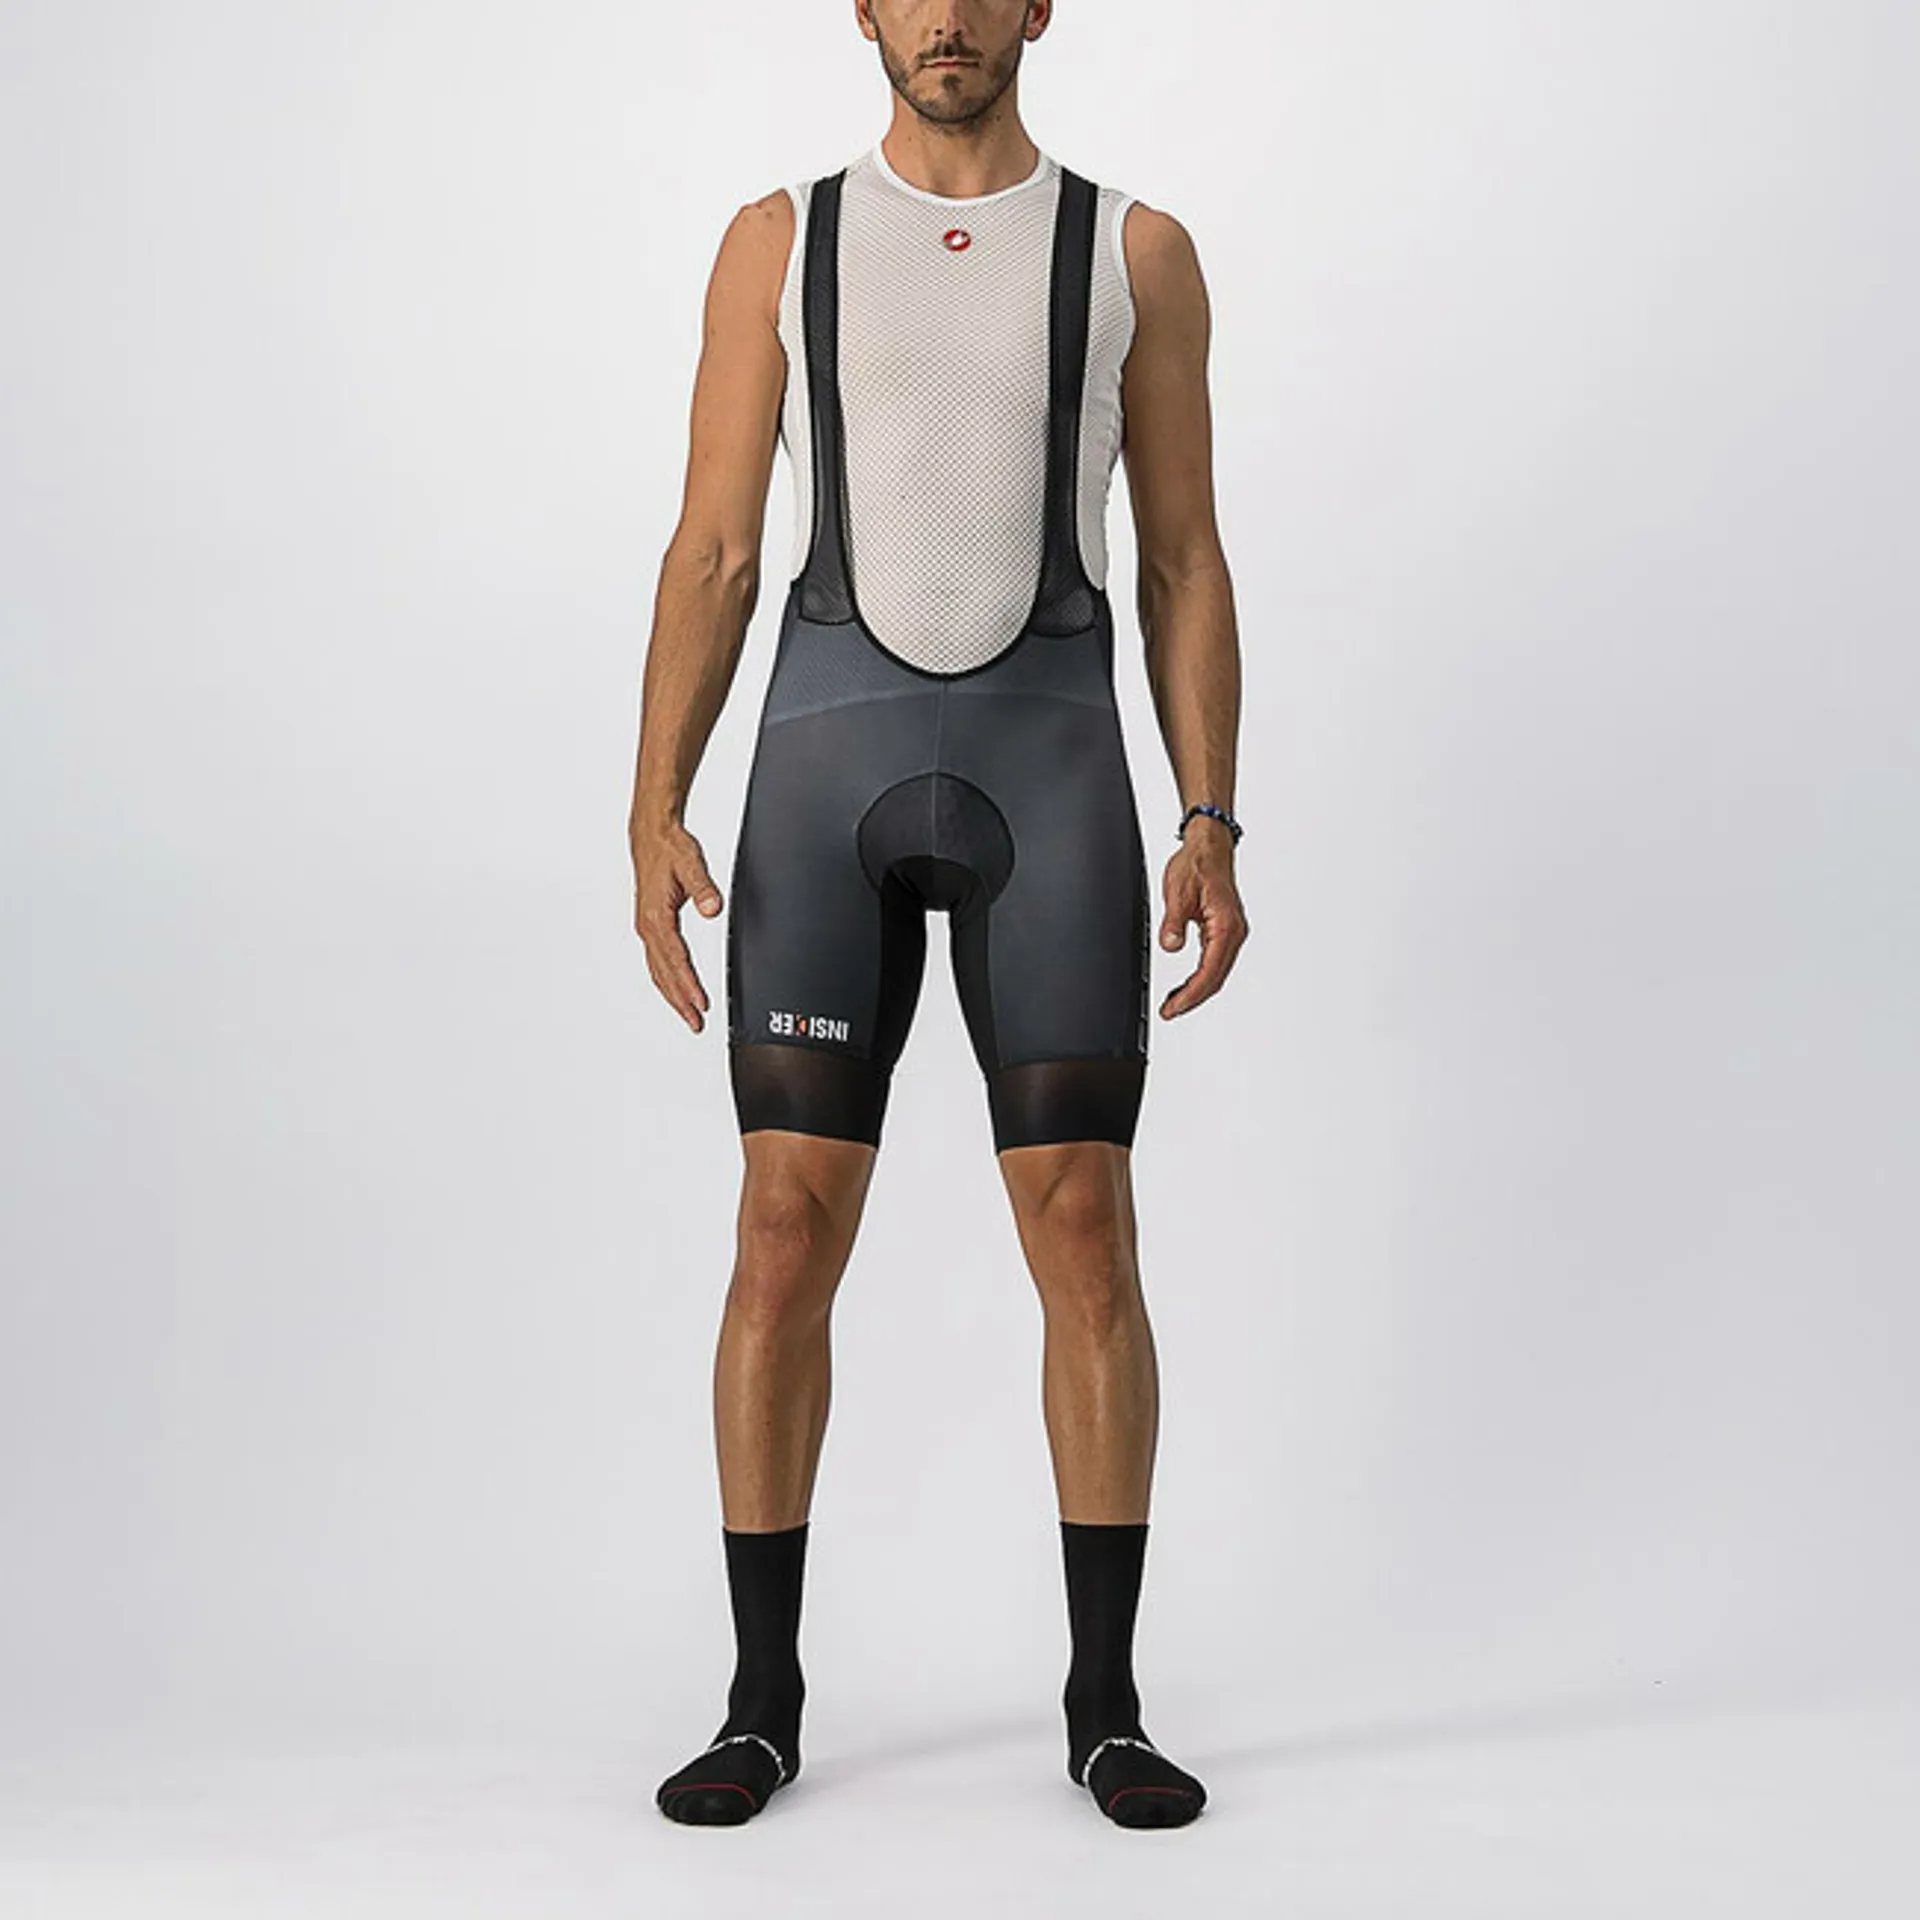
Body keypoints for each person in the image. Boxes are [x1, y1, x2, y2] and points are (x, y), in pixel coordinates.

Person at [628, 0, 1246, 1830]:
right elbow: (716, 548)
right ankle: (759, 1704)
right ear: (866, 8)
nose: (949, 17)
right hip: (826, 772)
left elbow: (1185, 554)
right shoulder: (779, 241)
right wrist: (653, 805)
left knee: (1086, 1227)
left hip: (1054, 777)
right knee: (780, 1232)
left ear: (1040, 6)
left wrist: (1210, 815)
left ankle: (1105, 1707)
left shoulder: (1136, 251)